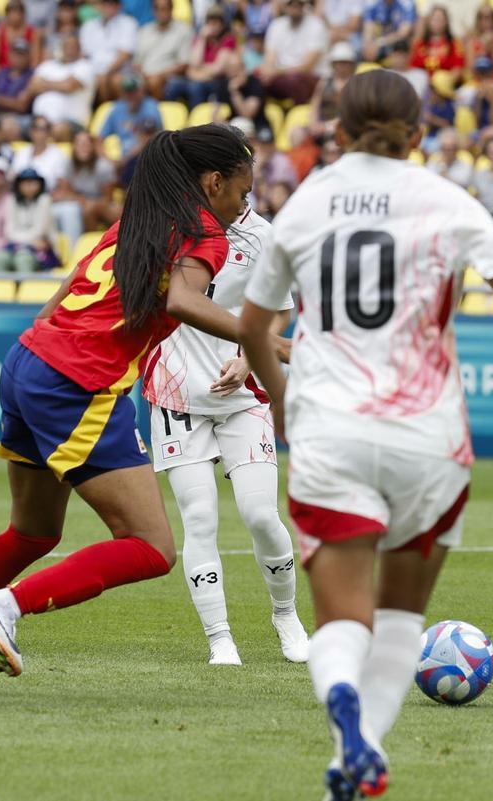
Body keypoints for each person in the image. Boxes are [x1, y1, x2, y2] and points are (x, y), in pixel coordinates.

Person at [235, 69, 493, 800]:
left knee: (341, 617)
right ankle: (359, 751)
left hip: (330, 429)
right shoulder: (445, 198)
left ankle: (347, 726)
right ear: (420, 135)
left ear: (335, 133)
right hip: (427, 439)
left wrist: (279, 398)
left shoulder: (306, 203)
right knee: (400, 617)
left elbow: (252, 325)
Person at [0, 124, 292, 678]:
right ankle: (3, 605)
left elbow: (59, 299)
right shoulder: (204, 232)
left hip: (28, 360)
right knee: (150, 546)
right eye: (242, 191)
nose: (243, 205)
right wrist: (267, 342)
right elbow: (184, 301)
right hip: (76, 381)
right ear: (213, 182)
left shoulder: (138, 218)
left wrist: (48, 358)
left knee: (34, 531)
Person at [141, 202, 310, 667]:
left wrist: (250, 359)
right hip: (176, 394)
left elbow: (279, 312)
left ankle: (286, 615)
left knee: (260, 514)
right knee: (199, 519)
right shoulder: (168, 225)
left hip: (244, 393)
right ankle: (220, 639)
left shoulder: (262, 235)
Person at [164, 5, 236, 108]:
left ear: (222, 24)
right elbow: (193, 64)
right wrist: (202, 39)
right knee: (173, 84)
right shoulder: (200, 39)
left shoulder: (228, 40)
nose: (213, 26)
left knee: (195, 87)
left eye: (216, 23)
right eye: (210, 22)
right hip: (199, 79)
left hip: (218, 83)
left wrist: (198, 72)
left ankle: (197, 121)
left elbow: (217, 70)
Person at [259, 0, 327, 106]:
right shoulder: (276, 25)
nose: (294, 8)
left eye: (298, 4)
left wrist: (276, 72)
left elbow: (307, 67)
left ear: (304, 5)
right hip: (281, 76)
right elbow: (269, 58)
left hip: (309, 77)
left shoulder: (316, 25)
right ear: (285, 6)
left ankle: (299, 112)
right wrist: (267, 72)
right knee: (256, 78)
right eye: (291, 4)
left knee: (294, 79)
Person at [0, 166, 57, 273]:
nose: (29, 186)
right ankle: (2, 290)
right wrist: (28, 243)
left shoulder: (45, 200)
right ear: (19, 185)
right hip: (18, 247)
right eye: (25, 182)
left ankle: (29, 289)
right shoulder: (12, 200)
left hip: (43, 250)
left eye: (33, 182)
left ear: (40, 184)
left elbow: (39, 232)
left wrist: (22, 241)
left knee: (23, 259)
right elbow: (9, 232)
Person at [28, 33, 94, 141]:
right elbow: (33, 87)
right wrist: (60, 84)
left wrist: (44, 83)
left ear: (80, 49)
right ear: (61, 48)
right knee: (9, 125)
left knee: (58, 130)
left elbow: (69, 86)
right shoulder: (47, 65)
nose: (69, 50)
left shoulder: (85, 66)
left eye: (73, 46)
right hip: (38, 121)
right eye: (66, 46)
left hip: (71, 122)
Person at [79, 0, 138, 101]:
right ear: (100, 5)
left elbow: (125, 54)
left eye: (112, 3)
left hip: (119, 71)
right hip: (93, 71)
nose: (109, 6)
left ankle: (111, 111)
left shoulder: (128, 23)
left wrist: (106, 72)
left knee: (116, 81)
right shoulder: (88, 26)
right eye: (106, 3)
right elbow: (84, 55)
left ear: (119, 5)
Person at [134, 0, 192, 100]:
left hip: (167, 77)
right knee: (123, 82)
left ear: (171, 9)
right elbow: (137, 62)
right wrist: (144, 75)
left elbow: (183, 64)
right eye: (157, 9)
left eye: (164, 9)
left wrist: (160, 76)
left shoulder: (183, 30)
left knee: (154, 82)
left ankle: (159, 113)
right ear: (153, 11)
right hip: (144, 76)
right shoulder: (144, 30)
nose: (161, 13)